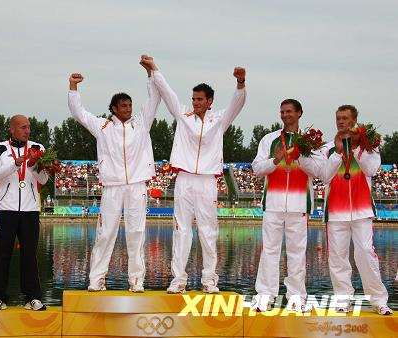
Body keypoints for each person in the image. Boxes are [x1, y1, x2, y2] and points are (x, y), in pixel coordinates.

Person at [149, 59, 246, 294]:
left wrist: (240, 83)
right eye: (193, 98)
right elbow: (169, 94)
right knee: (181, 229)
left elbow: (237, 104)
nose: (195, 102)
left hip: (207, 181)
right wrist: (154, 69)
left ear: (210, 101)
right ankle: (178, 280)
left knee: (208, 230)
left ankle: (209, 280)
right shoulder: (184, 116)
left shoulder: (219, 120)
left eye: (200, 99)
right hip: (184, 179)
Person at [67, 55, 161, 293]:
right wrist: (73, 88)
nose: (128, 110)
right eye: (123, 106)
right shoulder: (103, 127)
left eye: (130, 106)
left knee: (136, 233)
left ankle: (137, 282)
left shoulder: (141, 124)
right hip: (112, 187)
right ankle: (96, 280)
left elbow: (153, 101)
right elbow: (79, 114)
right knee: (105, 233)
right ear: (113, 109)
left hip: (137, 185)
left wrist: (151, 74)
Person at [320, 105, 393, 315]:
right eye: (338, 118)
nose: (341, 122)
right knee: (338, 258)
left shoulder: (368, 147)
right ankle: (343, 300)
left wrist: (355, 148)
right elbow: (324, 176)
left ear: (354, 120)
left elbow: (371, 169)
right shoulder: (328, 148)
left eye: (345, 118)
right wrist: (337, 152)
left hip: (361, 211)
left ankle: (378, 300)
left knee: (365, 254)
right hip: (335, 212)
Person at [250, 99, 322, 312]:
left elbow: (318, 170)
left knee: (297, 254)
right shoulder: (269, 139)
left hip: (299, 204)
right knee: (269, 251)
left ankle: (296, 298)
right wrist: (275, 159)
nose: (285, 115)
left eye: (289, 111)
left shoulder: (309, 143)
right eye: (282, 112)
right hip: (273, 204)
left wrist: (301, 158)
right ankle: (265, 296)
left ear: (300, 113)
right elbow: (256, 169)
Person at [0, 114, 48, 311]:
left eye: (29, 127)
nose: (27, 130)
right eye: (23, 127)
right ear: (12, 129)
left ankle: (32, 298)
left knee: (30, 255)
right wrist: (16, 163)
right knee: (2, 254)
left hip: (30, 210)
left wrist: (33, 166)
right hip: (5, 209)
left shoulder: (38, 149)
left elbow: (44, 180)